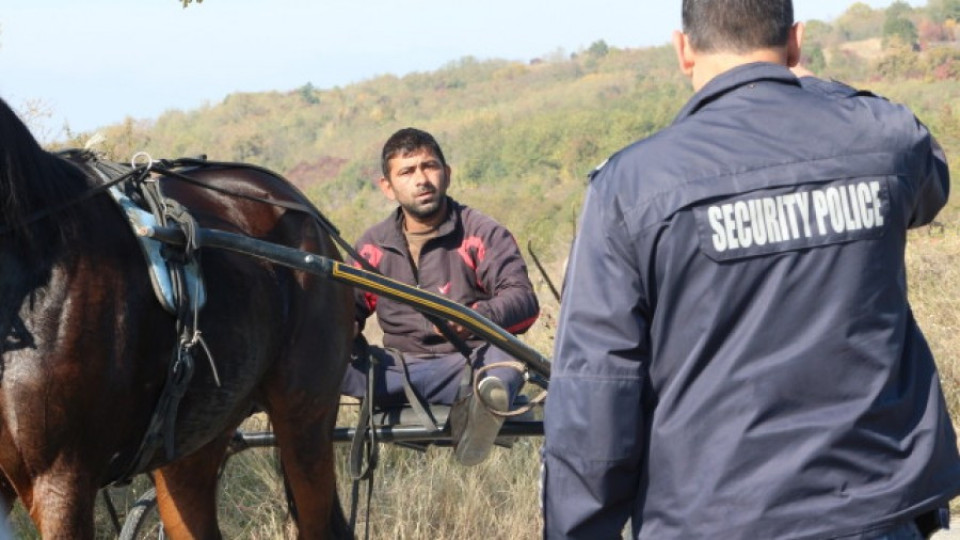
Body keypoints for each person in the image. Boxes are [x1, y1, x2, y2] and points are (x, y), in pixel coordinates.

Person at [542, 1, 959, 538]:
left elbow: (598, 390)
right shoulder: (881, 141)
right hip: (879, 511)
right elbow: (933, 177)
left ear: (683, 49)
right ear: (795, 43)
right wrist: (820, 90)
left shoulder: (631, 187)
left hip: (712, 517)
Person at [341, 127, 540, 466]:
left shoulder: (481, 232)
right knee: (328, 361)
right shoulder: (372, 246)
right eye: (407, 171)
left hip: (467, 365)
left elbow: (523, 301)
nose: (422, 179)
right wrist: (340, 328)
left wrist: (472, 318)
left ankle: (482, 408)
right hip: (396, 372)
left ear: (446, 174)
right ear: (387, 188)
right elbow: (347, 309)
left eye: (429, 166)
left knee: (507, 362)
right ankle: (483, 405)